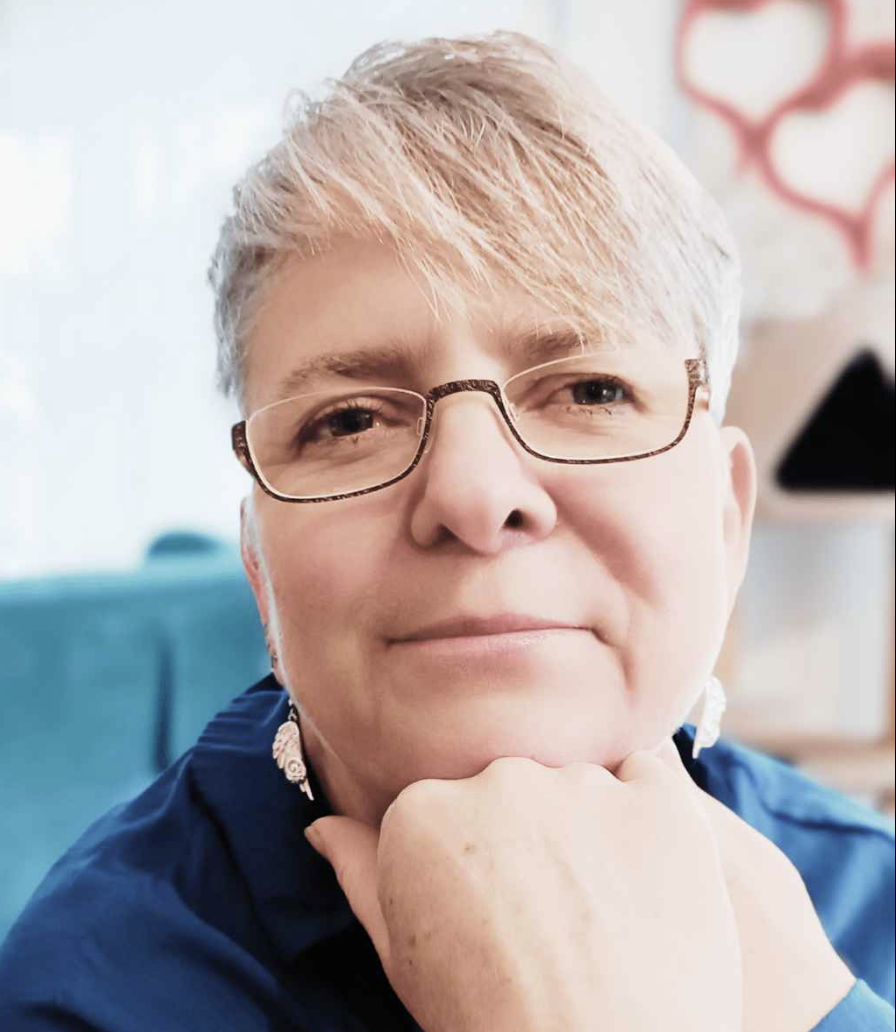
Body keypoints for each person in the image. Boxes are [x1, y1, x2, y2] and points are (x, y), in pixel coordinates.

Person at [1, 30, 893, 1032]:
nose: (472, 495)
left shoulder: (874, 908)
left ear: (725, 519)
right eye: (348, 421)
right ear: (259, 567)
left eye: (590, 391)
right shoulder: (85, 994)